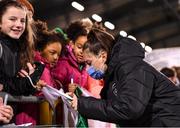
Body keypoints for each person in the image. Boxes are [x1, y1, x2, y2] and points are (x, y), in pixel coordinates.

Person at [69, 28, 180, 127]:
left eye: (89, 63)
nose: (87, 69)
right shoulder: (113, 77)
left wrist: (82, 104)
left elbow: (129, 108)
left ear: (103, 56)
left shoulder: (132, 68)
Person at [0, 0, 45, 96]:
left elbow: (11, 87)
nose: (19, 25)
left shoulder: (19, 49)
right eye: (12, 19)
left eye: (22, 21)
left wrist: (30, 82)